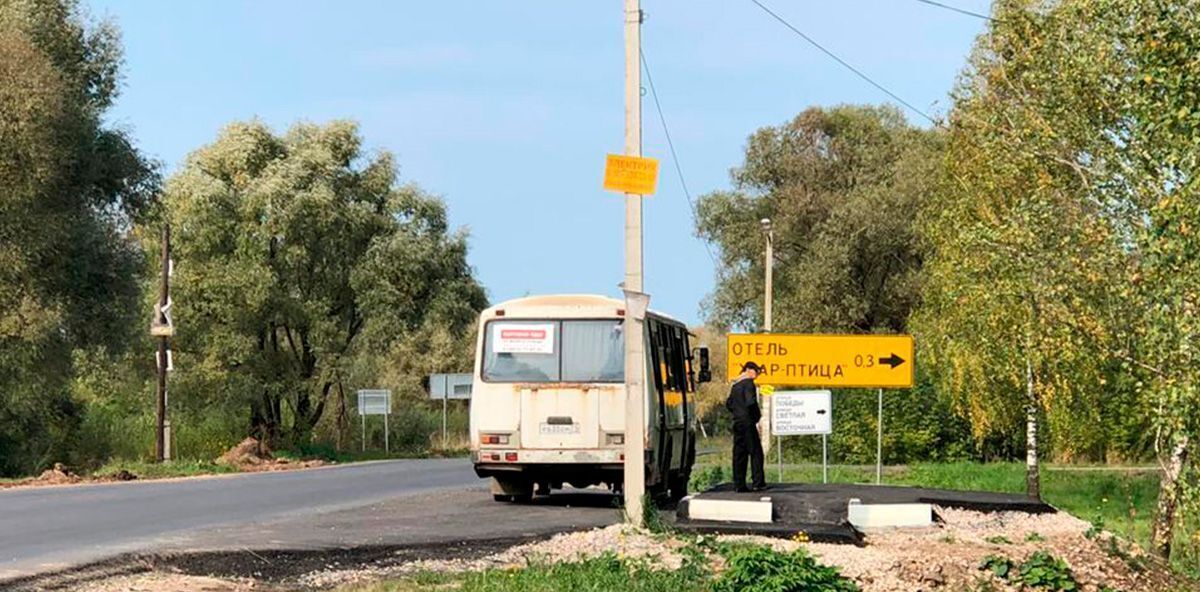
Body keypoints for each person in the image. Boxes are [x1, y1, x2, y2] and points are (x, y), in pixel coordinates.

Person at [726, 361, 767, 492]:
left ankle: (739, 484)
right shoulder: (749, 383)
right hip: (748, 423)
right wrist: (757, 416)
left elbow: (729, 404)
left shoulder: (735, 385)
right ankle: (758, 483)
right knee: (756, 452)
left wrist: (737, 413)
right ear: (749, 370)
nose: (757, 375)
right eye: (756, 372)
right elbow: (751, 402)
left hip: (737, 422)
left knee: (739, 454)